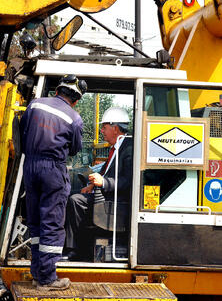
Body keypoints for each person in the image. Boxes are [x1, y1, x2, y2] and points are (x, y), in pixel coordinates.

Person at [20, 74, 87, 290]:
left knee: (36, 220)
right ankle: (48, 279)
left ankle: (37, 272)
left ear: (57, 90)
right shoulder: (74, 119)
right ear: (76, 99)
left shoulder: (35, 105)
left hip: (30, 166)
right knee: (52, 222)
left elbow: (22, 132)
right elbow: (75, 149)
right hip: (53, 170)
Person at [65, 106, 133, 260]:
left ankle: (74, 251)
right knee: (75, 196)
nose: (102, 131)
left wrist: (103, 183)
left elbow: (128, 181)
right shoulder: (116, 148)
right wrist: (91, 185)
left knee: (75, 201)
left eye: (104, 127)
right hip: (107, 196)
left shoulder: (128, 149)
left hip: (116, 202)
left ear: (115, 129)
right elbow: (107, 171)